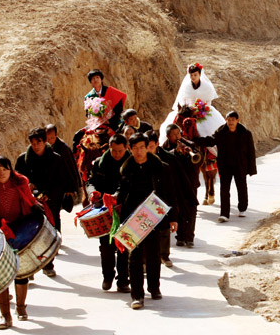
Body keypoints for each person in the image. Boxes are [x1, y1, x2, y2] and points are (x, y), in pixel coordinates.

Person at [0, 156, 42, 329]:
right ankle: (5, 316)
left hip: (20, 231)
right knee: (0, 276)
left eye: (4, 169)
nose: (1, 173)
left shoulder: (20, 184)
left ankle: (21, 308)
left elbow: (29, 201)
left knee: (21, 271)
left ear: (10, 170)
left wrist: (35, 206)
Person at [116, 133, 178, 309]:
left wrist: (173, 218)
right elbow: (122, 191)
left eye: (142, 147)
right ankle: (137, 295)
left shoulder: (160, 167)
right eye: (135, 148)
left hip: (154, 215)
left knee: (153, 253)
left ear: (147, 147)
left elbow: (170, 193)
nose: (138, 151)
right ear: (131, 149)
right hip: (133, 215)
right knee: (134, 256)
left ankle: (154, 287)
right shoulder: (126, 169)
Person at [15, 127, 72, 277]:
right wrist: (28, 187)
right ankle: (29, 266)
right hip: (30, 202)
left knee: (50, 230)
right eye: (33, 143)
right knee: (29, 233)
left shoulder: (56, 159)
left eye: (39, 142)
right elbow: (17, 180)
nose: (36, 146)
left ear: (45, 141)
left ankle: (48, 264)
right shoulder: (23, 160)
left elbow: (61, 182)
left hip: (50, 200)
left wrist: (48, 194)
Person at [85, 134, 132, 293]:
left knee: (124, 245)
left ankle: (123, 280)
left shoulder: (131, 163)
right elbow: (90, 182)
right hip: (104, 210)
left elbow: (130, 184)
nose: (117, 154)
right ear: (109, 148)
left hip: (125, 208)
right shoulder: (100, 163)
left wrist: (117, 196)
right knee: (106, 246)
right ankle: (107, 275)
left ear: (126, 148)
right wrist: (92, 192)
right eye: (114, 151)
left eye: (120, 151)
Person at [193, 111, 257, 222]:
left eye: (233, 120)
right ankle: (224, 214)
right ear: (226, 120)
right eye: (229, 120)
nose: (231, 122)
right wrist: (194, 140)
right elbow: (210, 140)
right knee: (224, 189)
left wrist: (251, 169)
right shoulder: (221, 132)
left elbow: (251, 152)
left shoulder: (245, 133)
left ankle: (242, 208)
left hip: (240, 165)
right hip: (225, 165)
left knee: (241, 187)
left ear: (238, 120)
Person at [159, 63, 225, 144]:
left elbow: (208, 101)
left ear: (200, 74)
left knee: (206, 129)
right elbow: (183, 100)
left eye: (195, 75)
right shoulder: (186, 86)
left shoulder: (207, 87)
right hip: (188, 110)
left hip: (202, 110)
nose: (193, 77)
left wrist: (202, 110)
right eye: (191, 75)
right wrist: (187, 109)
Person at [161, 125, 201, 247]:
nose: (178, 136)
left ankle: (189, 237)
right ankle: (180, 236)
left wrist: (189, 153)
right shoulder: (165, 148)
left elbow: (199, 159)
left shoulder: (190, 144)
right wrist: (176, 152)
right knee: (179, 210)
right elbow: (164, 161)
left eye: (178, 133)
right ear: (168, 136)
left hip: (190, 182)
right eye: (174, 134)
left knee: (191, 209)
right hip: (176, 183)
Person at [46, 123, 81, 210]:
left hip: (64, 183)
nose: (50, 140)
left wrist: (70, 188)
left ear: (56, 135)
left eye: (52, 138)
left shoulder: (63, 148)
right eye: (47, 138)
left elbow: (70, 168)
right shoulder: (47, 147)